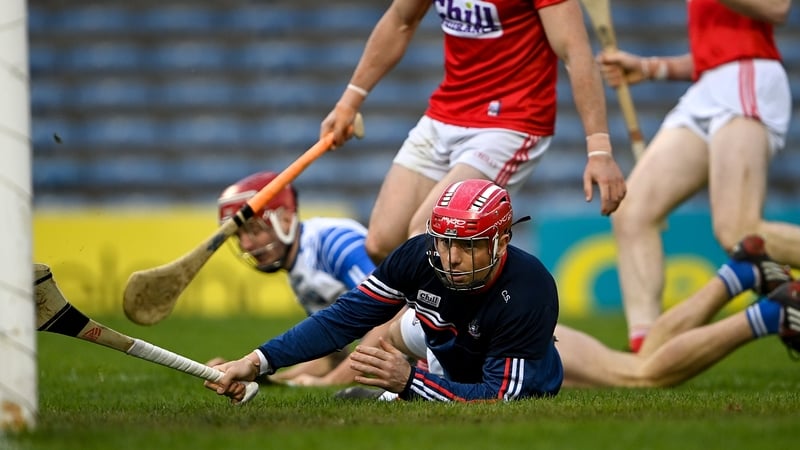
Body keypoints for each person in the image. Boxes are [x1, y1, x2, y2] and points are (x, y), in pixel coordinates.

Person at [321, 0, 627, 264]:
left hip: (511, 122)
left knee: (427, 237)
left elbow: (575, 52)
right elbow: (400, 21)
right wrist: (349, 102)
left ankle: (461, 326)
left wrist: (599, 149)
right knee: (381, 244)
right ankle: (464, 323)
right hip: (446, 112)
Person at [206, 179, 564, 403]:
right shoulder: (418, 255)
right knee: (394, 329)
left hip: (498, 357)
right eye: (444, 242)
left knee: (464, 377)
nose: (451, 258)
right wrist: (256, 362)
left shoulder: (529, 289)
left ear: (501, 241)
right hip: (438, 333)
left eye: (468, 246)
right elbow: (342, 320)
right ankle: (421, 377)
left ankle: (412, 385)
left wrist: (409, 381)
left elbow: (500, 398)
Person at [342, 234, 799, 398]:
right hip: (523, 352)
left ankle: (770, 313)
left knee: (640, 374)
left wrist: (324, 380)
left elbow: (380, 340)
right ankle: (737, 274)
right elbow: (379, 341)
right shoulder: (423, 314)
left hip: (524, 343)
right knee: (636, 358)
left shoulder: (416, 323)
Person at [595, 0, 800, 352]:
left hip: (747, 77)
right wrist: (649, 67)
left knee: (737, 231)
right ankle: (647, 351)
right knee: (632, 213)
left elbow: (776, 8)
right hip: (709, 87)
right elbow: (712, 54)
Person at [213, 170, 390, 386]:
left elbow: (390, 319)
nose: (246, 245)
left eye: (254, 230)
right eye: (238, 236)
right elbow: (333, 353)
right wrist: (268, 378)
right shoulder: (298, 265)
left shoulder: (336, 242)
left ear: (285, 219)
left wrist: (331, 382)